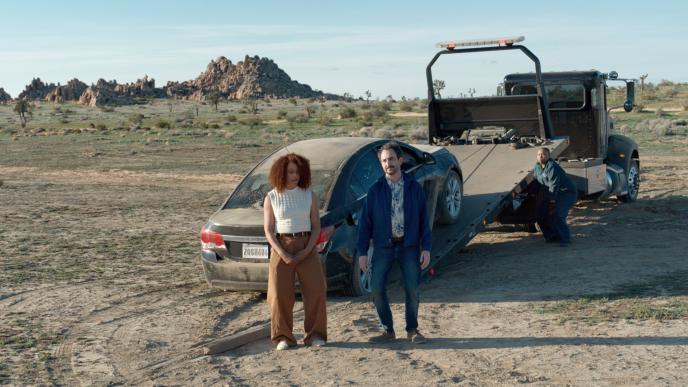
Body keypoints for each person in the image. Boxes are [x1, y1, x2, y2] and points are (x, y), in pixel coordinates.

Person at [357, 141, 432, 344]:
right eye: (384, 160)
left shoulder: (414, 188)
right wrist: (362, 252)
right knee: (376, 288)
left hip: (409, 246)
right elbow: (365, 224)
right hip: (383, 246)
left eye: (391, 159)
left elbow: (425, 220)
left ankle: (412, 330)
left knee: (412, 288)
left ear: (400, 160)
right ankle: (388, 330)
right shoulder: (374, 191)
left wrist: (426, 248)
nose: (388, 163)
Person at [263, 153, 327, 350]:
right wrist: (283, 253)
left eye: (298, 171)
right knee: (279, 294)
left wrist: (307, 250)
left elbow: (316, 226)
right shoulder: (271, 197)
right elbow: (268, 230)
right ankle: (284, 337)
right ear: (281, 172)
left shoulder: (309, 195)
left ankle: (315, 335)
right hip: (281, 245)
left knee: (316, 289)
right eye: (291, 171)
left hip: (307, 244)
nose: (295, 175)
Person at [533, 147, 578, 246]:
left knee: (558, 214)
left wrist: (552, 202)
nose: (541, 156)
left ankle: (565, 239)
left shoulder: (552, 166)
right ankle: (551, 237)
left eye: (544, 154)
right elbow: (536, 182)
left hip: (566, 193)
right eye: (539, 154)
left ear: (549, 156)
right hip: (552, 193)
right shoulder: (537, 167)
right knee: (540, 215)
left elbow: (554, 185)